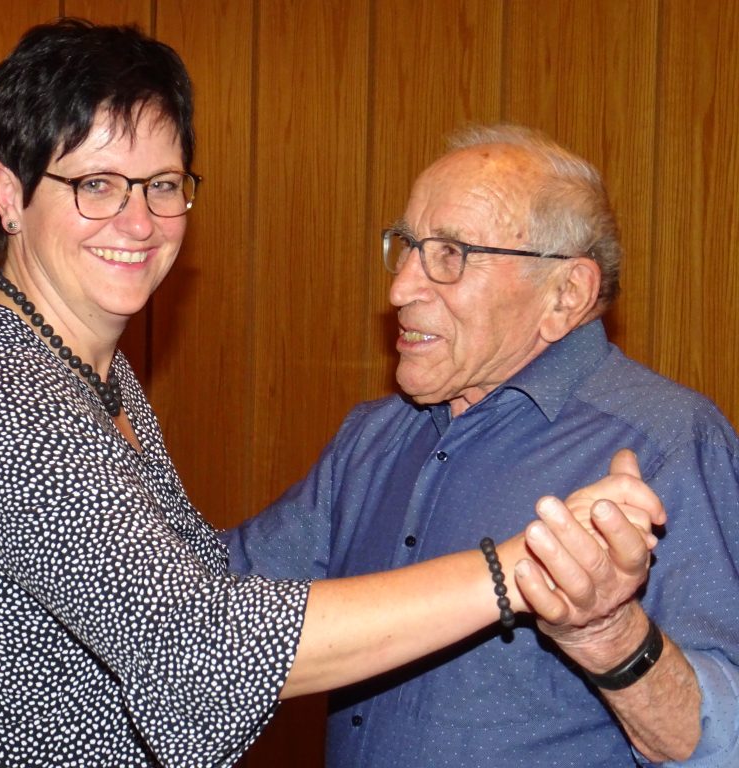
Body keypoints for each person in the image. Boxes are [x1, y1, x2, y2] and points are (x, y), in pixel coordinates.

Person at [0, 22, 662, 768]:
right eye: (98, 185)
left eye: (162, 185)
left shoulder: (90, 372)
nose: (139, 221)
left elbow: (190, 577)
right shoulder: (5, 399)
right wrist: (518, 567)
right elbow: (200, 651)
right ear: (9, 194)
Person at [225, 124, 739, 767]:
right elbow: (212, 609)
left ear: (566, 295)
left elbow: (722, 743)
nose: (400, 289)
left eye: (450, 254)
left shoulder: (669, 443)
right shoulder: (373, 437)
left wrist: (611, 636)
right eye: (407, 246)